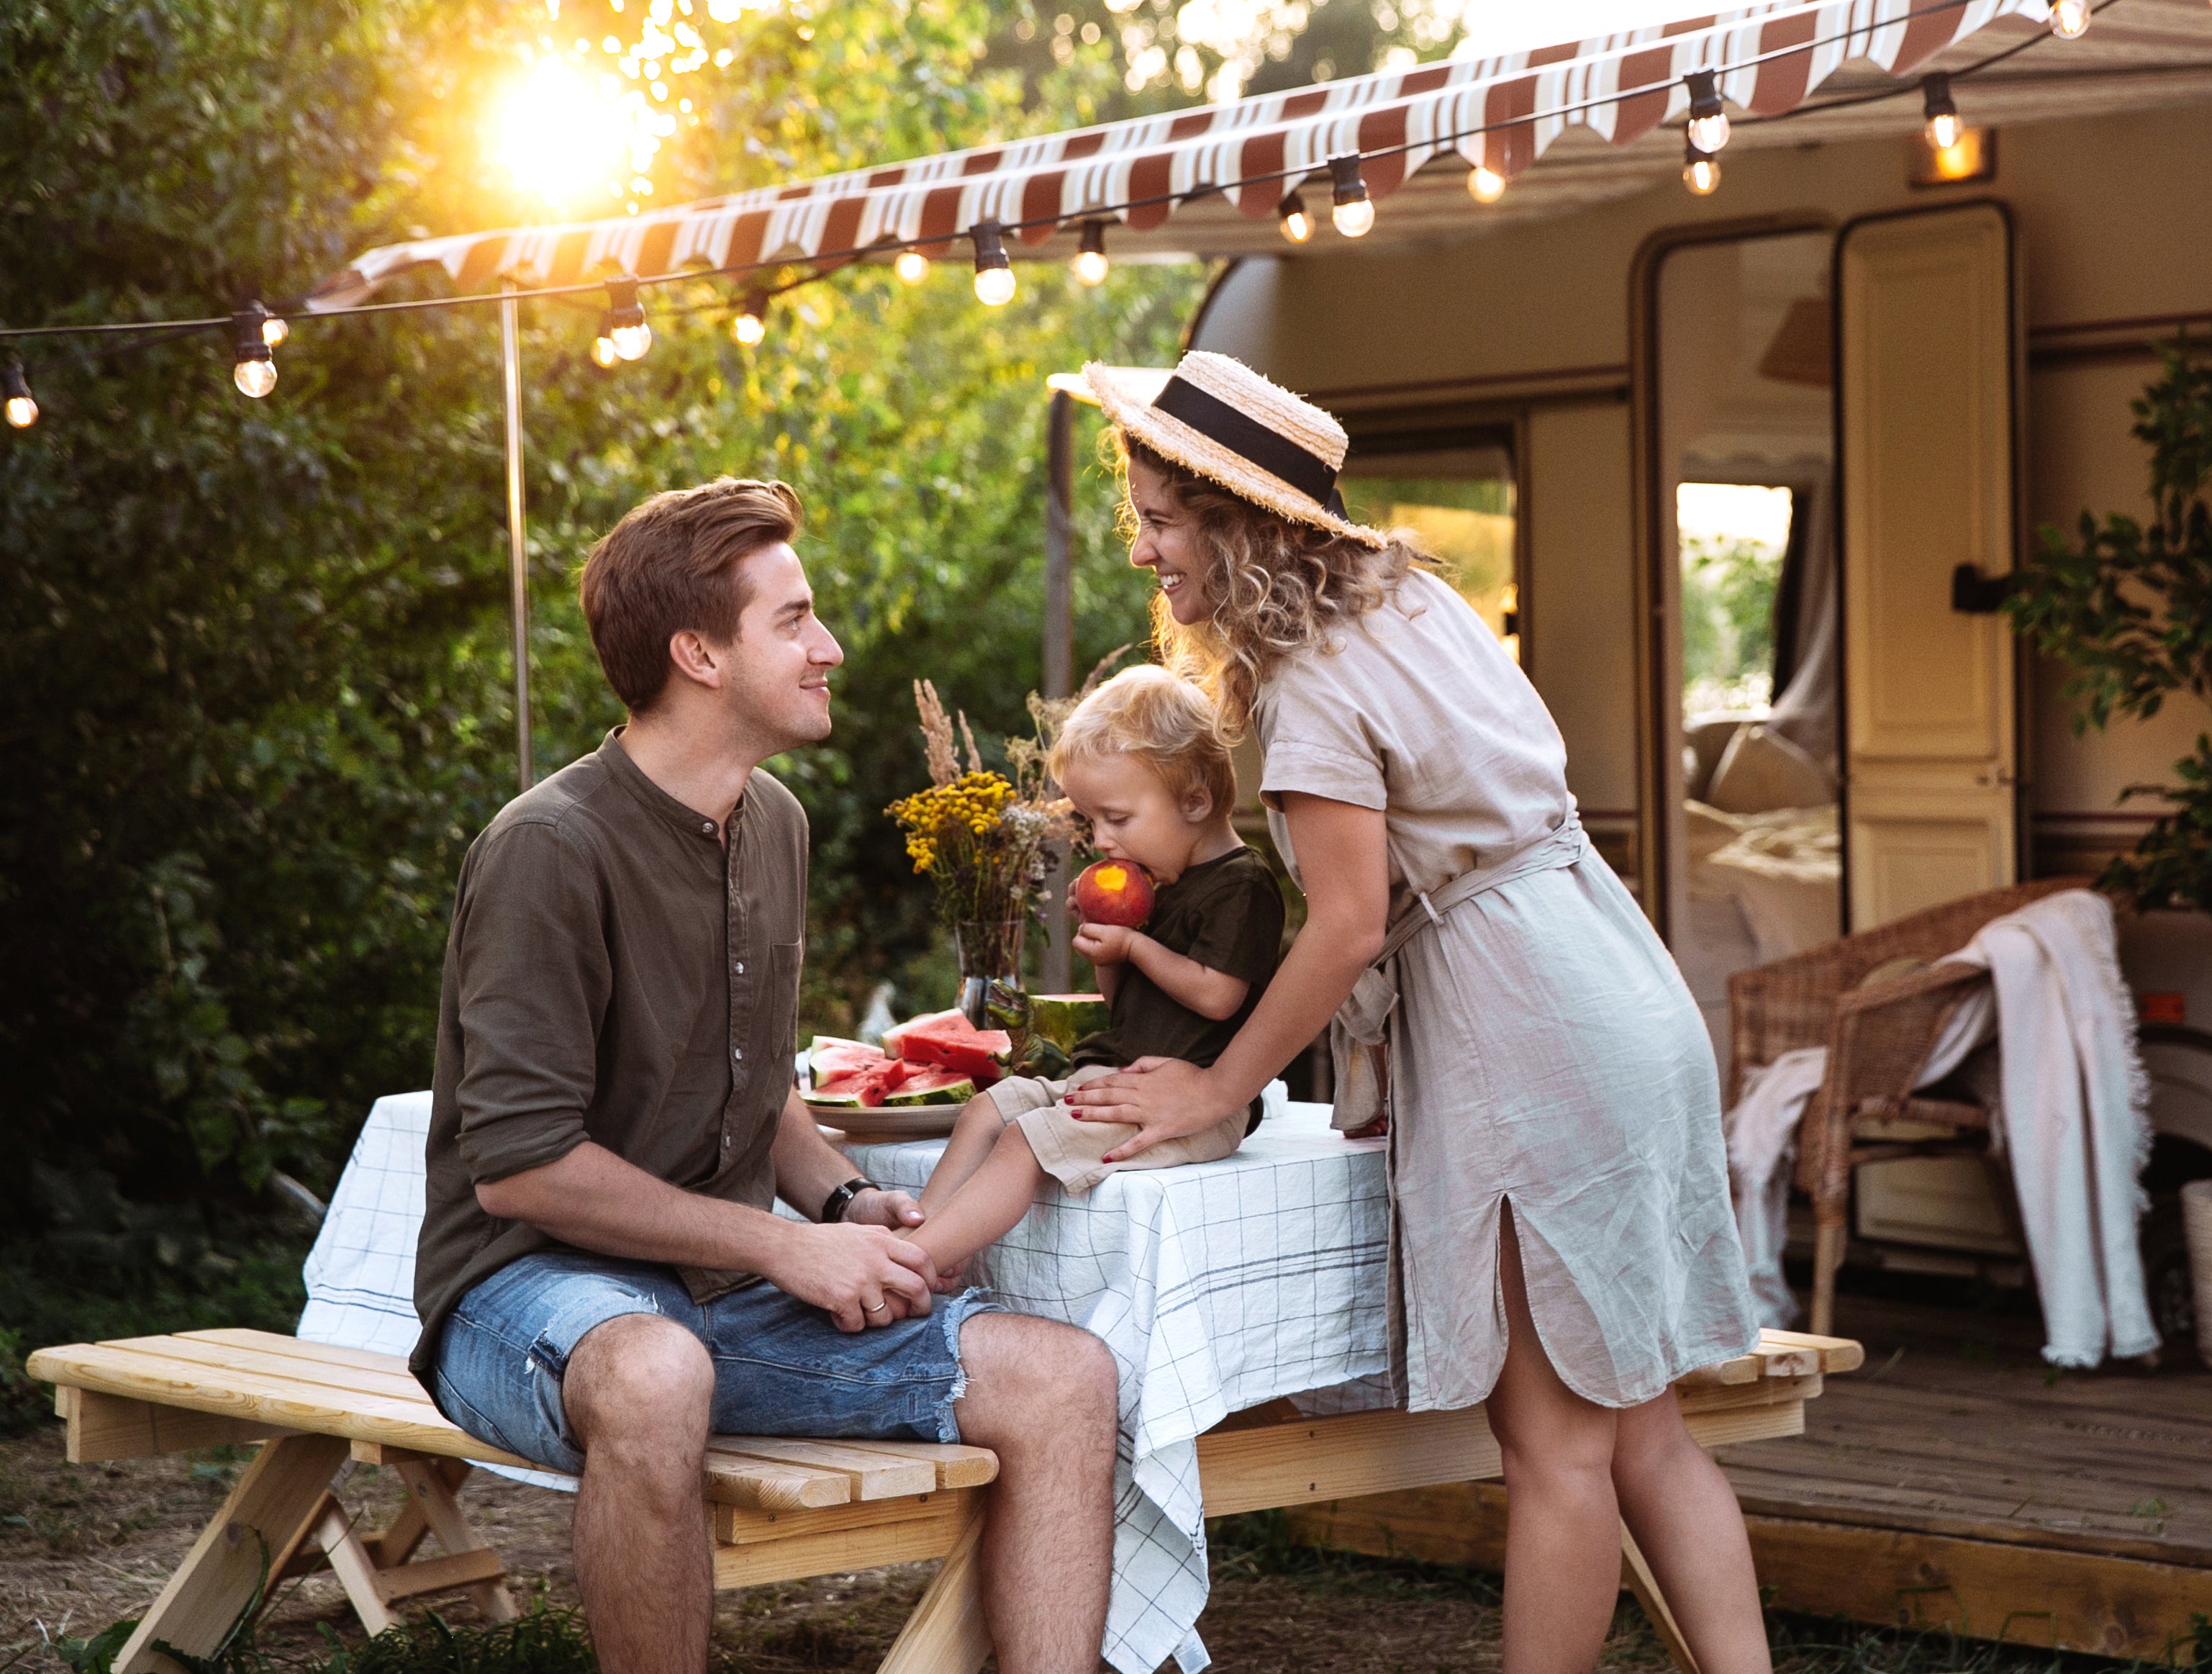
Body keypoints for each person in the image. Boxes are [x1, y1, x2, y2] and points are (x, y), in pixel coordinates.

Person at [1055, 354, 1772, 1674]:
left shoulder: (1310, 679)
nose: (1141, 547)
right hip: (1612, 970)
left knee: (1555, 1446)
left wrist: (1218, 1089)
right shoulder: (1405, 598)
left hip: (1528, 1018)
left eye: (1159, 516)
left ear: (1233, 518)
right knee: (1645, 1427)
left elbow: (1342, 921)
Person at [412, 477, 1114, 1674]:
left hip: (714, 1293)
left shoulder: (771, 820)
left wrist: (841, 1202)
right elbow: (523, 1171)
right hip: (523, 1295)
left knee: (1062, 1376)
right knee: (651, 1371)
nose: (828, 647)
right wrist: (786, 1247)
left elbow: (755, 1087)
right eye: (791, 620)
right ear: (696, 652)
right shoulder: (546, 849)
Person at [913, 664, 1285, 1274]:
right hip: (1116, 1079)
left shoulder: (1241, 885)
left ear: (1195, 799)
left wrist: (1135, 947)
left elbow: (1219, 997)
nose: (1101, 840)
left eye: (1117, 818)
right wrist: (1109, 949)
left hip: (1194, 1104)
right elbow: (1123, 1007)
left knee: (1024, 1140)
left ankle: (914, 1264)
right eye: (1091, 822)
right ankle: (919, 1232)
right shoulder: (1156, 884)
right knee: (989, 1109)